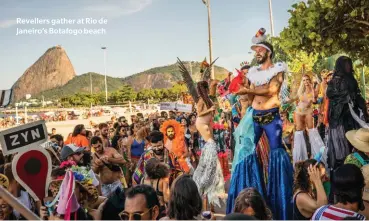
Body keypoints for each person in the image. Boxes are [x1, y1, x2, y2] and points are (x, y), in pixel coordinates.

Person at [227, 30, 293, 220]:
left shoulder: (278, 69)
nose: (256, 52)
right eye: (255, 50)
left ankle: (279, 201)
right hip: (254, 116)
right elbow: (251, 95)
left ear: (268, 52)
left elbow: (271, 89)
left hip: (271, 117)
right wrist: (243, 91)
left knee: (276, 154)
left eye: (259, 49)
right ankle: (246, 200)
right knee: (245, 153)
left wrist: (249, 88)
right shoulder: (254, 73)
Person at [327, 56, 369, 171]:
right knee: (342, 143)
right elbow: (330, 95)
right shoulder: (336, 80)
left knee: (356, 140)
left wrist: (362, 107)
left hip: (352, 116)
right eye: (346, 64)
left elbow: (357, 94)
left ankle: (356, 166)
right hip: (340, 118)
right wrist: (348, 96)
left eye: (349, 64)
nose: (349, 66)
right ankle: (343, 168)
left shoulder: (351, 78)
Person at [193, 80, 225, 207]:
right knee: (211, 145)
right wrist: (210, 109)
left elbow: (212, 105)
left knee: (211, 148)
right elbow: (199, 113)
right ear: (204, 89)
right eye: (207, 88)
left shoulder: (207, 99)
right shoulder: (201, 100)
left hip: (207, 124)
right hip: (202, 123)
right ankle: (205, 181)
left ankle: (211, 181)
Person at [290, 74, 326, 164]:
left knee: (312, 131)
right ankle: (299, 160)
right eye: (304, 80)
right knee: (299, 134)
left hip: (308, 112)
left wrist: (313, 89)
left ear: (310, 80)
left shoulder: (315, 90)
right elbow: (294, 99)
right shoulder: (301, 91)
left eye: (307, 80)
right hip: (299, 112)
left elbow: (314, 101)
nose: (305, 82)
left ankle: (318, 158)